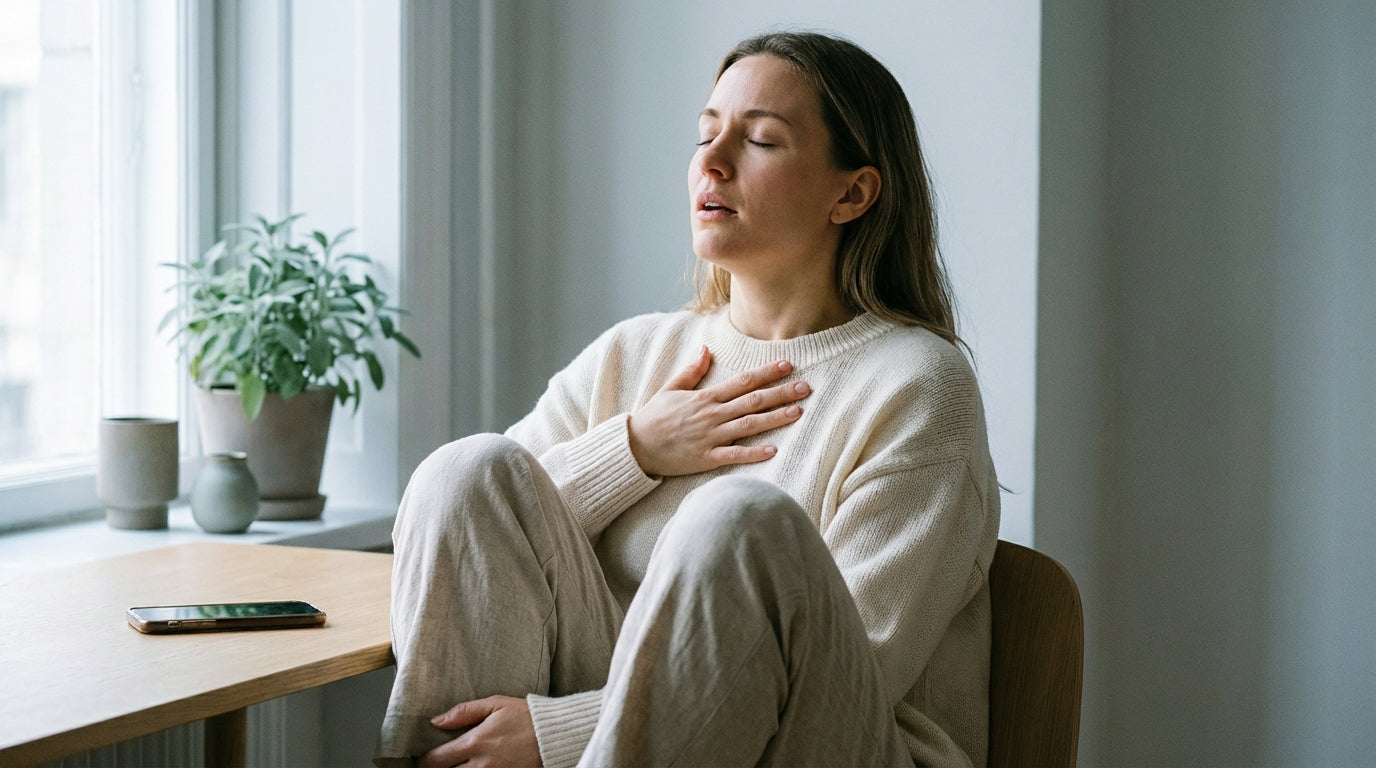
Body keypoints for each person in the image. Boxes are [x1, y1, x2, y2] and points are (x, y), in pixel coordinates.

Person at [375, 30, 1000, 768]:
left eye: (761, 140)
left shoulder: (918, 385)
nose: (713, 160)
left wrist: (558, 733)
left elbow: (860, 663)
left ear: (853, 192)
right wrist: (633, 449)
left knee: (735, 519)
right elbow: (468, 546)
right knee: (465, 471)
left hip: (830, 743)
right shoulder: (637, 355)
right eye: (707, 134)